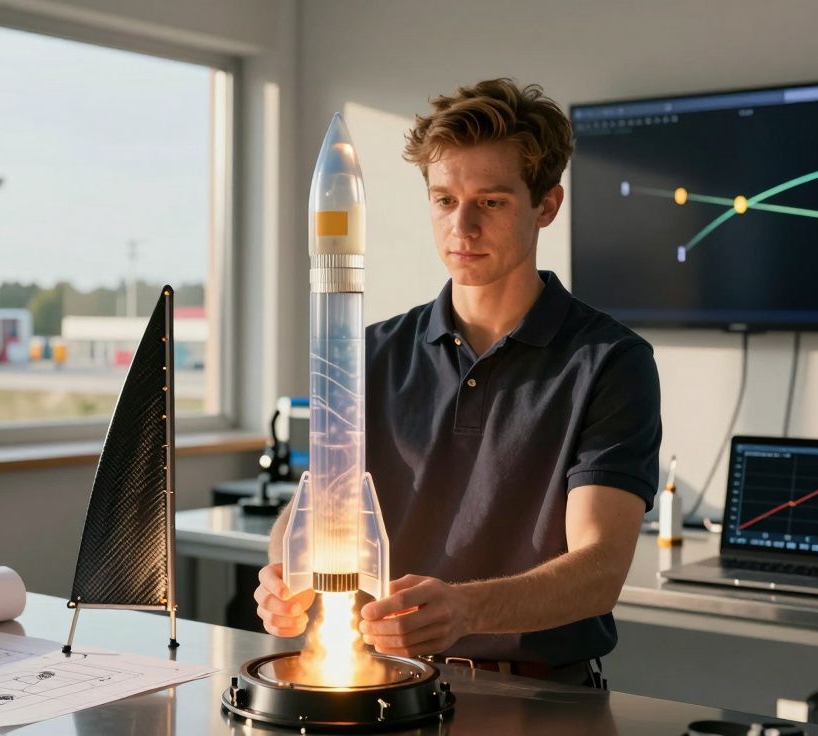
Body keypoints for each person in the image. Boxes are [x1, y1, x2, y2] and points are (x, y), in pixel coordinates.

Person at [255, 78, 662, 685]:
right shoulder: (367, 352)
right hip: (384, 682)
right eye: (445, 200)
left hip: (536, 697)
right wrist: (283, 571)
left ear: (546, 206)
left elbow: (600, 568)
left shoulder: (609, 362)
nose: (462, 227)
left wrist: (468, 608)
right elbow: (315, 505)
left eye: (490, 202)